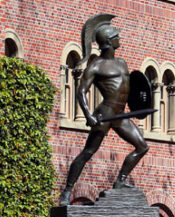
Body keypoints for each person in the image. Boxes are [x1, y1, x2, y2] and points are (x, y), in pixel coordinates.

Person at [58, 14, 149, 206]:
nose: (119, 39)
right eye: (116, 36)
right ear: (108, 42)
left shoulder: (122, 63)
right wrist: (88, 115)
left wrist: (142, 101)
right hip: (105, 114)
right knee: (88, 151)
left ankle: (120, 180)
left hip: (121, 114)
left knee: (142, 146)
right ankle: (67, 191)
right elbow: (81, 91)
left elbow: (131, 89)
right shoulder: (96, 66)